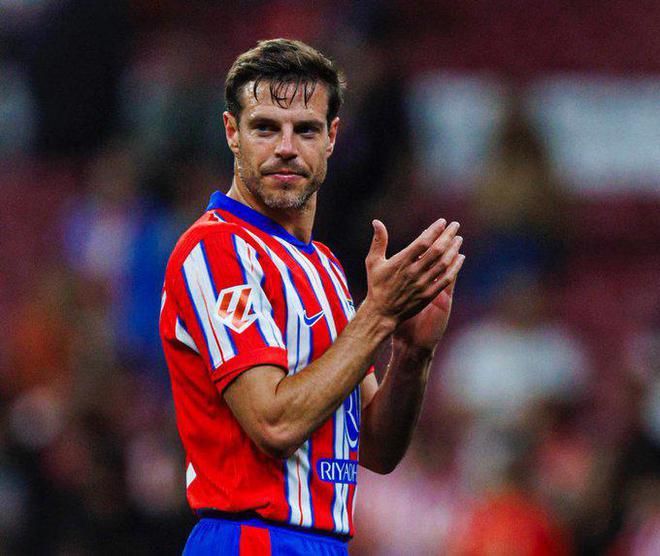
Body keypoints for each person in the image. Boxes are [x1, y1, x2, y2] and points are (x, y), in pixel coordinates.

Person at [159, 38, 465, 555]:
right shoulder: (216, 249)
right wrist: (378, 314)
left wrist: (412, 353)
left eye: (305, 129)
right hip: (250, 539)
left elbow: (375, 447)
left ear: (331, 138)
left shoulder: (324, 267)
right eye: (265, 128)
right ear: (232, 132)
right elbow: (273, 423)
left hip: (323, 542)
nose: (286, 147)